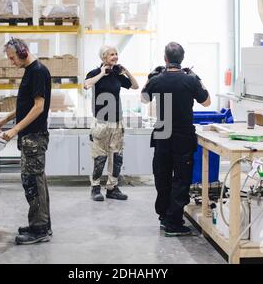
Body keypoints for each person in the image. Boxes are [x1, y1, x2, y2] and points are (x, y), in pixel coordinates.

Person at [141, 42, 211, 236]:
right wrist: (197, 78)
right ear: (182, 59)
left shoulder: (157, 79)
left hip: (162, 134)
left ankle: (164, 217)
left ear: (165, 59)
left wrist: (150, 77)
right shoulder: (190, 80)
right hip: (182, 136)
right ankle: (173, 223)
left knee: (162, 176)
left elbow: (144, 99)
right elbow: (206, 102)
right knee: (180, 179)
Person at [0, 38, 52, 245]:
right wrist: (6, 119)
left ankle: (39, 229)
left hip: (34, 137)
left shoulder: (37, 71)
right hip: (30, 137)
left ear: (24, 52)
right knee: (38, 181)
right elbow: (26, 105)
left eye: (12, 58)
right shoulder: (31, 70)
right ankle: (42, 224)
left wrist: (15, 129)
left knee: (32, 183)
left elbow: (38, 107)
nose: (11, 62)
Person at [84, 45, 139, 201]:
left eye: (116, 54)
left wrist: (126, 71)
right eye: (111, 54)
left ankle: (112, 188)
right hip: (100, 123)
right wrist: (102, 73)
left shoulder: (116, 74)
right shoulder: (95, 73)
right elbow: (86, 84)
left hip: (117, 122)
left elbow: (135, 86)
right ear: (103, 57)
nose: (115, 56)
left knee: (116, 157)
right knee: (99, 157)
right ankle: (95, 188)